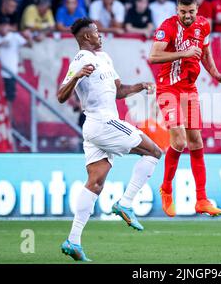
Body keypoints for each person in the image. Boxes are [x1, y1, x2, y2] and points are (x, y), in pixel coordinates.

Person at [58, 17, 162, 261]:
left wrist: (140, 86)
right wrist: (76, 77)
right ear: (86, 37)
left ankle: (73, 241)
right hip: (102, 122)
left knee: (95, 183)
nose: (100, 35)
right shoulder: (81, 60)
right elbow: (61, 96)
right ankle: (125, 203)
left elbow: (118, 91)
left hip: (96, 128)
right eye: (95, 32)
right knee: (154, 152)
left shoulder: (104, 58)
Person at [148, 0, 221, 218]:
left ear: (197, 10)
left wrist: (216, 74)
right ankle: (166, 189)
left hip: (189, 89)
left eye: (191, 11)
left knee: (196, 141)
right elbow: (153, 56)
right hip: (168, 88)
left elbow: (205, 53)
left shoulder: (203, 25)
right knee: (179, 141)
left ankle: (202, 200)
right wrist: (182, 53)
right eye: (183, 11)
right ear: (177, 9)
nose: (187, 16)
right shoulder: (167, 26)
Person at [0, 17, 32, 123]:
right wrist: (0, 46)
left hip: (11, 74)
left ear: (8, 27)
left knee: (9, 100)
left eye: (5, 26)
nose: (4, 28)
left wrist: (29, 37)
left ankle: (8, 123)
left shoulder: (14, 37)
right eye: (2, 26)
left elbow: (30, 45)